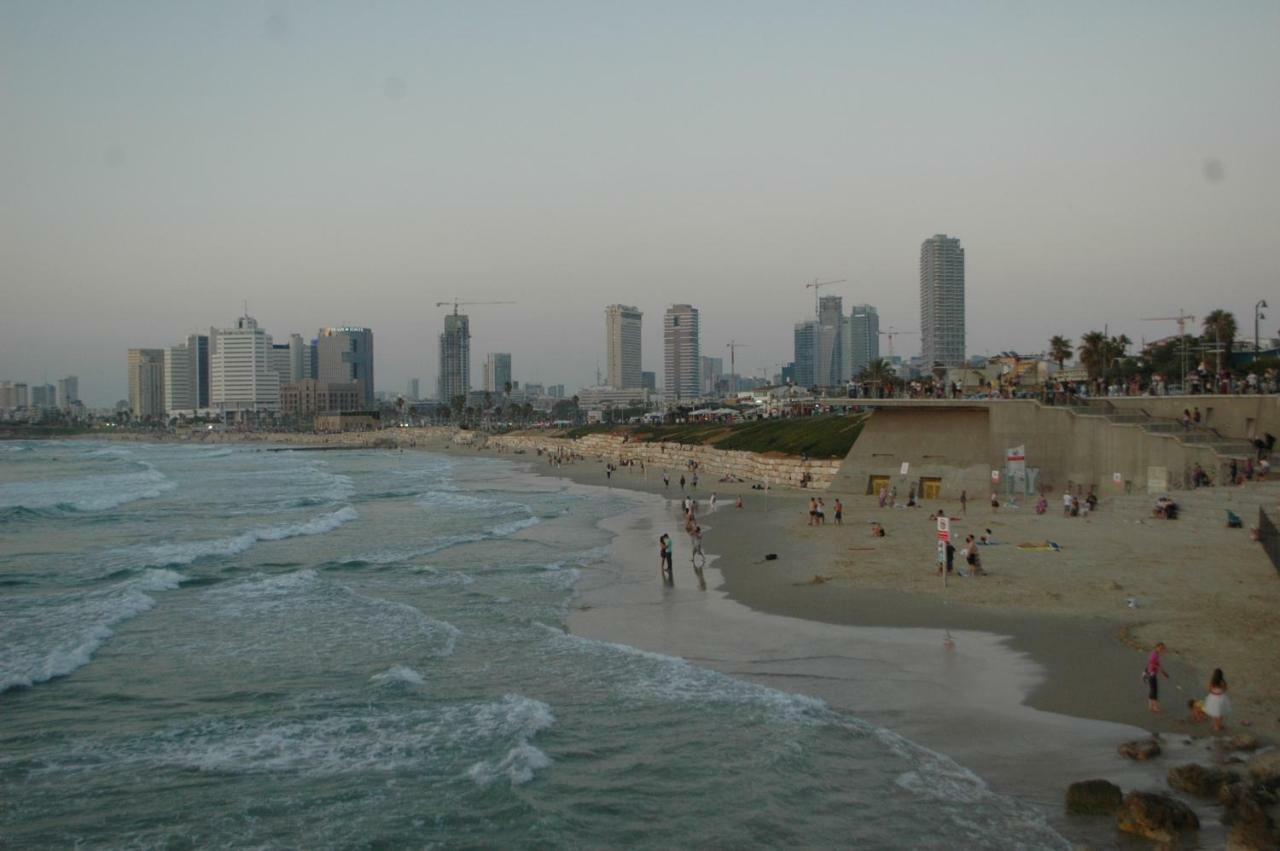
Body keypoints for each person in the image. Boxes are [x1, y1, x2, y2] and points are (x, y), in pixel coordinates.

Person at [1144, 642, 1170, 713]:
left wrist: (1163, 671)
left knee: (1152, 690)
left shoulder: (1156, 654)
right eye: (1161, 648)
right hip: (1151, 674)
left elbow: (1156, 664)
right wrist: (1160, 669)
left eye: (1163, 648)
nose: (1162, 650)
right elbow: (1151, 663)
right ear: (1157, 647)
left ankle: (1150, 706)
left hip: (1151, 673)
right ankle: (1154, 707)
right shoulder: (1154, 654)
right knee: (1154, 690)